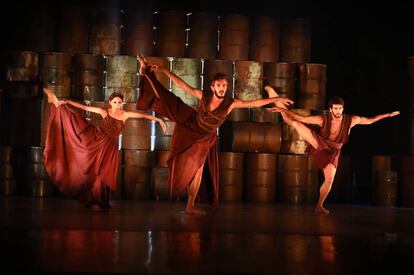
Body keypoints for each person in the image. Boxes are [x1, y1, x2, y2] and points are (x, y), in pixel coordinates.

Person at [136, 55, 294, 214]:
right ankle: (146, 73)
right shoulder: (203, 95)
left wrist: (277, 98)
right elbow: (182, 85)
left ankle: (190, 205)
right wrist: (163, 69)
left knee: (198, 169)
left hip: (206, 137)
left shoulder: (231, 104)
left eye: (224, 86)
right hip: (191, 123)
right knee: (168, 99)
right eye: (219, 85)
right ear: (212, 87)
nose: (222, 88)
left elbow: (254, 103)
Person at [265, 86, 400, 214]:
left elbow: (370, 120)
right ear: (330, 109)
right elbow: (301, 118)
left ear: (342, 109)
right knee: (294, 122)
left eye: (340, 108)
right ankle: (275, 98)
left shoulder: (351, 120)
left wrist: (387, 115)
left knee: (329, 179)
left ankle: (319, 206)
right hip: (320, 143)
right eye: (335, 108)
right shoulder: (322, 119)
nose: (338, 111)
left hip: (334, 151)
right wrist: (285, 110)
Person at [42, 87, 167, 208]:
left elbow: (143, 116)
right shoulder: (104, 111)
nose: (117, 105)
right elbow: (86, 107)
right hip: (97, 141)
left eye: (119, 102)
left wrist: (158, 120)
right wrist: (67, 102)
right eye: (114, 102)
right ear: (110, 102)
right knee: (94, 168)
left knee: (105, 172)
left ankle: (101, 198)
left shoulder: (125, 114)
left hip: (111, 146)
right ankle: (91, 196)